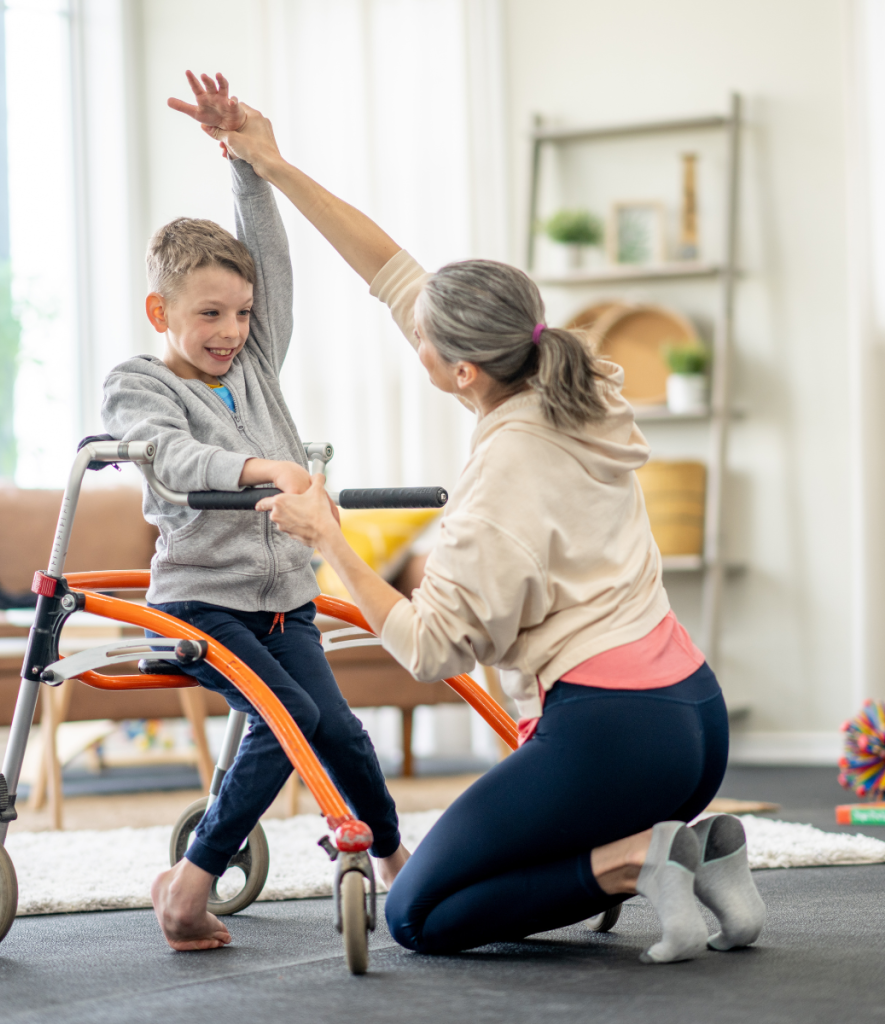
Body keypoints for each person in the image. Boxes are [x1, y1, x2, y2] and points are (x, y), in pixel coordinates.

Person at [196, 90, 767, 963]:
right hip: (694, 719)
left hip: (617, 739)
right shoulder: (566, 376)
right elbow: (386, 268)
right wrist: (268, 163)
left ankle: (633, 859)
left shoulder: (503, 475)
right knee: (485, 866)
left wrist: (327, 537)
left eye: (419, 338)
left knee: (419, 916)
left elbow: (431, 650)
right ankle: (701, 849)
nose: (407, 331)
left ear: (460, 370)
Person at [102, 72, 408, 953]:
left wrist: (244, 161)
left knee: (339, 732)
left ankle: (398, 865)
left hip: (285, 603)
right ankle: (188, 888)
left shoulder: (254, 364)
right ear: (161, 311)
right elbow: (172, 458)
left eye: (240, 313)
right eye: (208, 314)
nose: (231, 328)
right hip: (201, 604)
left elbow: (267, 257)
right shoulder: (141, 383)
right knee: (287, 721)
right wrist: (261, 466)